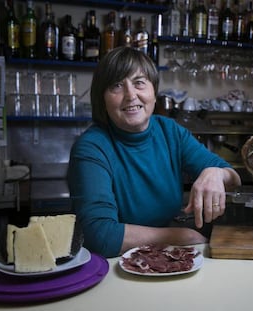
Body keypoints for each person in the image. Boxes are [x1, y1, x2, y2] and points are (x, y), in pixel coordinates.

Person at [68, 47, 241, 258]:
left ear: (154, 90)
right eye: (117, 86)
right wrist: (182, 237)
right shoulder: (92, 147)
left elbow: (233, 179)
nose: (131, 95)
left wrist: (216, 173)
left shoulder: (170, 132)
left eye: (139, 82)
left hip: (162, 258)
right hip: (113, 264)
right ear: (102, 98)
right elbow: (100, 235)